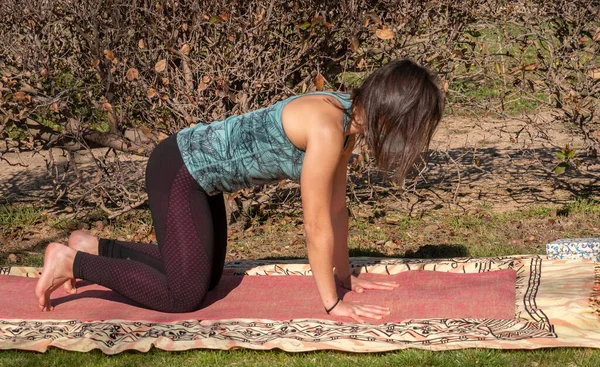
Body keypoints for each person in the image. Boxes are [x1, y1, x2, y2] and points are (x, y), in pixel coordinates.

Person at [35, 59, 444, 322]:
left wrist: (344, 278)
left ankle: (94, 246)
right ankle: (72, 262)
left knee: (206, 278)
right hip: (178, 170)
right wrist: (333, 304)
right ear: (393, 114)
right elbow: (316, 226)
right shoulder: (326, 126)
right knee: (184, 296)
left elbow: (336, 211)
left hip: (201, 180)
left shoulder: (344, 122)